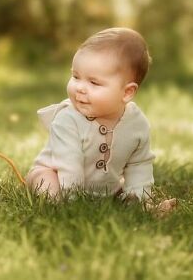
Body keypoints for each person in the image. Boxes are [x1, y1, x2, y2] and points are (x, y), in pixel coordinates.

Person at [26, 27, 176, 214]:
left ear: (127, 92)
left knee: (123, 196)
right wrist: (74, 203)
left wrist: (140, 199)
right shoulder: (68, 119)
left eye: (94, 82)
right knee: (47, 184)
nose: (80, 87)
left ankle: (143, 208)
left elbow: (139, 164)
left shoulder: (137, 124)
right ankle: (62, 207)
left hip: (106, 187)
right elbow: (69, 165)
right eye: (75, 76)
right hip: (57, 175)